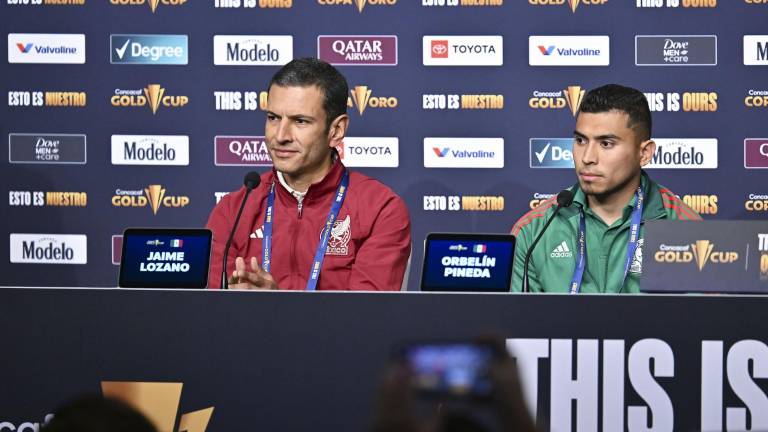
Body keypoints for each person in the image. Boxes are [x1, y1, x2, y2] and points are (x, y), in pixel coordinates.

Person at [207, 58, 411, 290]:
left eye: (300, 121)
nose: (280, 135)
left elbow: (365, 319)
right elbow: (211, 313)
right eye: (273, 118)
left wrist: (277, 307)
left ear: (336, 130)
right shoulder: (234, 210)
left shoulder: (381, 210)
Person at [511, 84, 701, 293]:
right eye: (580, 140)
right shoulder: (534, 231)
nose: (587, 158)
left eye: (606, 144)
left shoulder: (685, 229)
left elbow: (697, 321)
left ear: (645, 153)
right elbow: (522, 322)